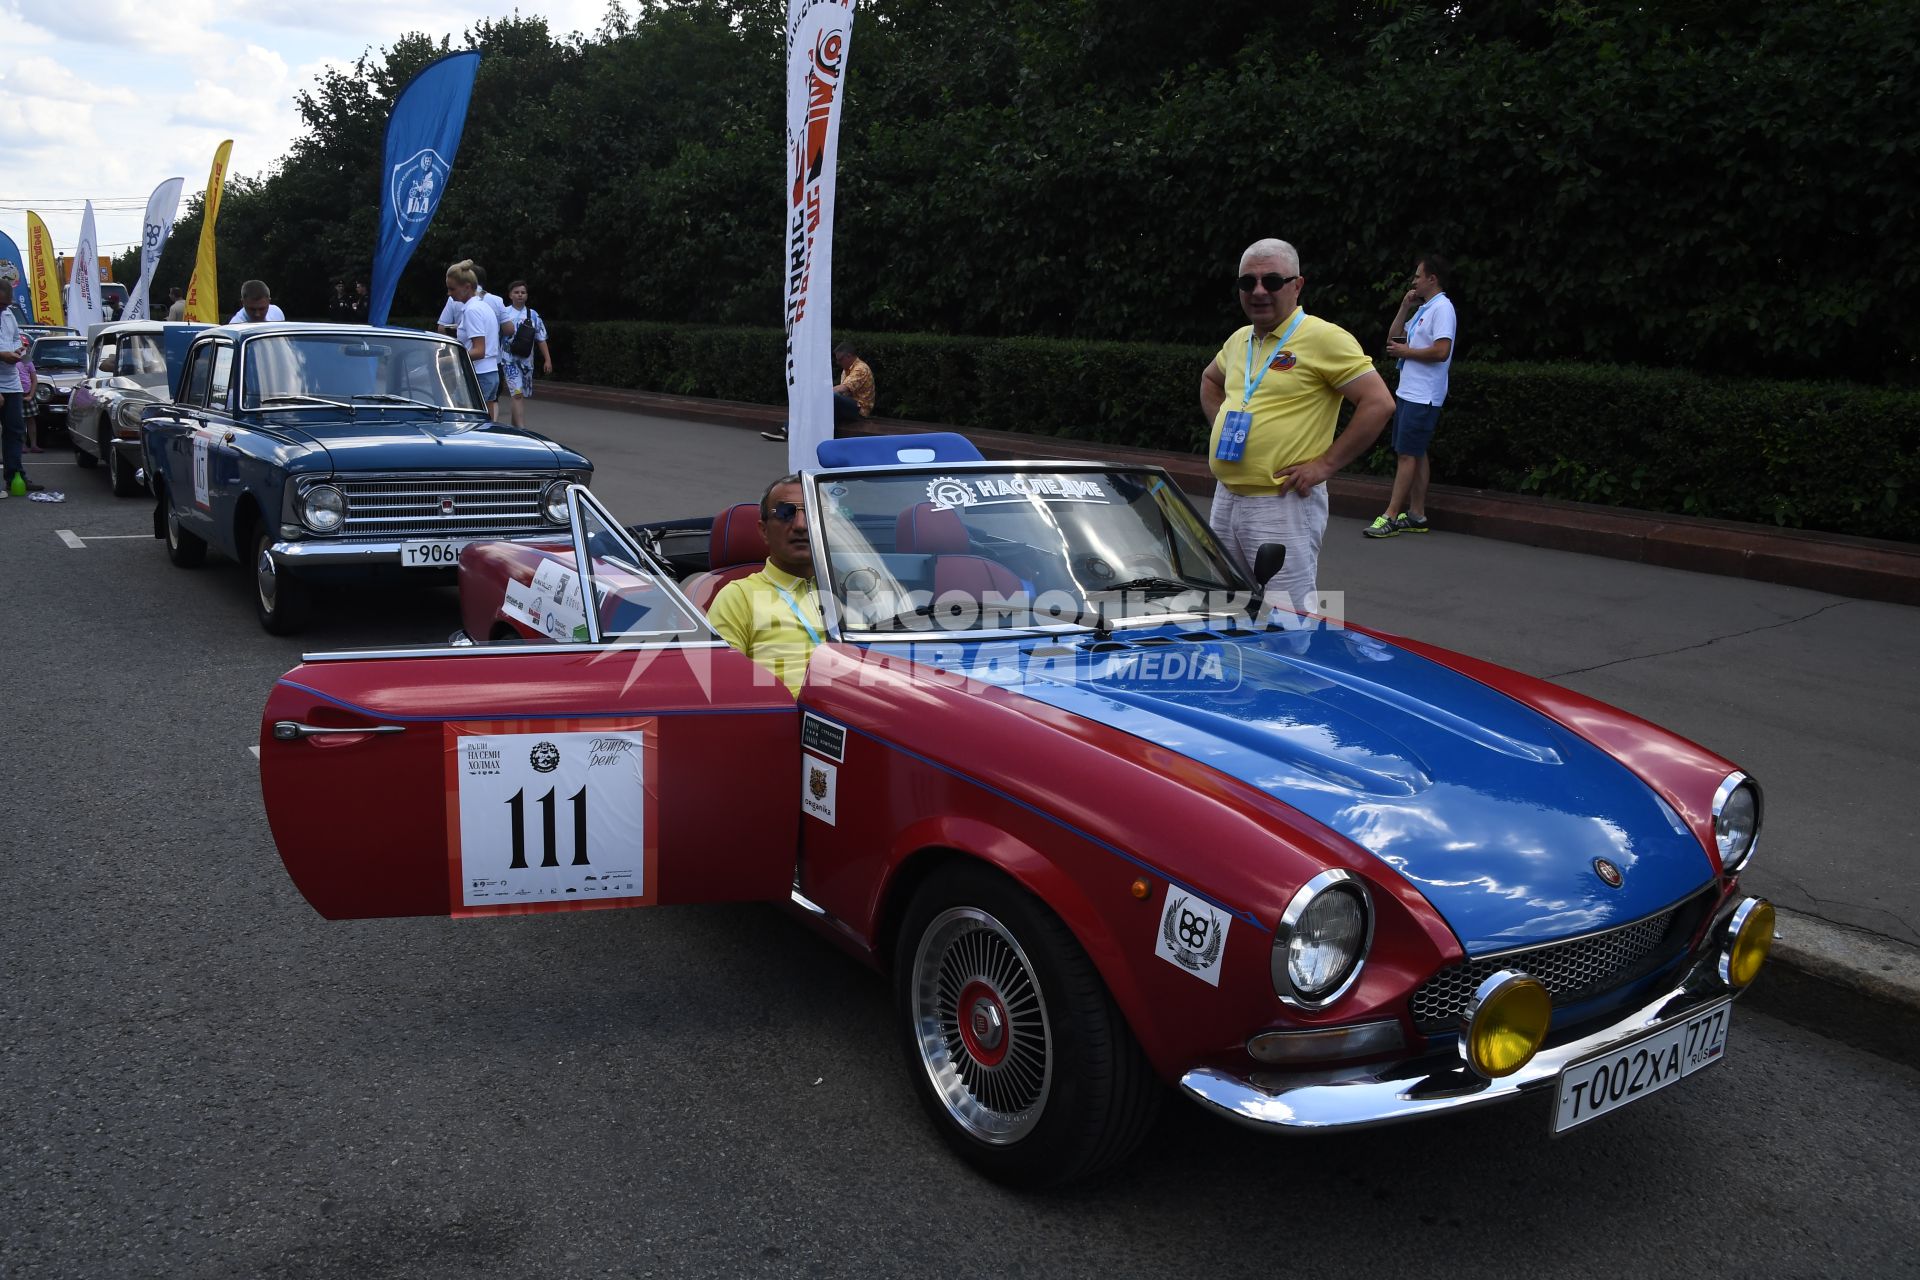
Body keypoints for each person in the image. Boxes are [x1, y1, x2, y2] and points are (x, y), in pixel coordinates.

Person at [1198, 237, 1394, 615]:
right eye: (1247, 283)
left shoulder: (1323, 337)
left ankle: (1292, 674)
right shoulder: (1241, 340)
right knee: (1225, 606)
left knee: (1286, 615)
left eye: (1272, 281)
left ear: (1297, 285)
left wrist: (1325, 465)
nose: (1258, 291)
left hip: (1281, 501)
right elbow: (1210, 381)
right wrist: (1221, 427)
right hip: (1227, 497)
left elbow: (1379, 402)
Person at [1367, 253, 1458, 539]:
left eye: (1418, 276)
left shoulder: (1442, 308)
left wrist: (1407, 353)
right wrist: (1405, 307)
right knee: (1416, 451)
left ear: (1432, 279)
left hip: (1424, 395)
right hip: (1409, 392)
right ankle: (1416, 514)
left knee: (1407, 454)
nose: (1414, 280)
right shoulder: (1425, 308)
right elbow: (1393, 339)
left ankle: (1391, 515)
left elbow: (1442, 351)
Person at [707, 474, 821, 696]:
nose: (800, 525)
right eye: (786, 514)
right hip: (786, 721)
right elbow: (720, 687)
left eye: (812, 512)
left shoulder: (855, 591)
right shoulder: (738, 596)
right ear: (763, 531)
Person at [0, 275, 41, 494]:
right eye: (0, 304)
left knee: (15, 431)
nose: (3, 308)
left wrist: (18, 352)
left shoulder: (9, 316)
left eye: (6, 305)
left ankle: (16, 476)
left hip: (12, 383)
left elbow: (18, 340)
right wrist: (2, 355)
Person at [446, 260, 502, 415]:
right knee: (487, 425)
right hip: (490, 373)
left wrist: (448, 358)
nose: (449, 293)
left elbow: (479, 351)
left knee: (464, 422)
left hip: (478, 375)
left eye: (452, 289)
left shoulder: (472, 310)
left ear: (467, 287)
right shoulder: (483, 306)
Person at [500, 281, 552, 429]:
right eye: (516, 292)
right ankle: (522, 429)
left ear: (527, 295)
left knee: (519, 394)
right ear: (510, 295)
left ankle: (514, 427)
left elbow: (541, 338)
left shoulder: (533, 315)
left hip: (526, 361)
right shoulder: (504, 313)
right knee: (517, 394)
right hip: (508, 360)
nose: (520, 295)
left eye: (523, 292)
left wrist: (547, 359)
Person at [831, 343, 875, 424]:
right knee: (832, 398)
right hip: (851, 404)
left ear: (848, 356)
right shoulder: (847, 369)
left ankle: (832, 432)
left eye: (840, 359)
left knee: (833, 397)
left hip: (860, 410)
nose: (838, 363)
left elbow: (843, 388)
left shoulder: (861, 369)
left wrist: (822, 394)